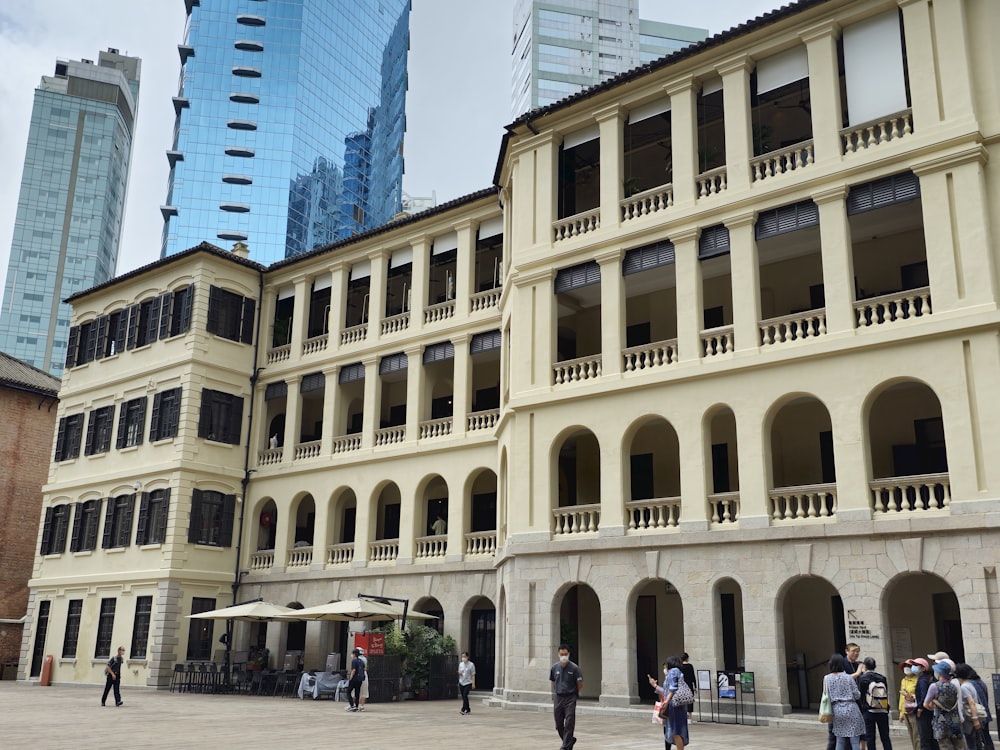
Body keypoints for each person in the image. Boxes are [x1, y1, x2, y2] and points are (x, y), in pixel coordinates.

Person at [825, 653, 866, 750]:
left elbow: (826, 694)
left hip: (836, 710)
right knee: (855, 741)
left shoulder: (826, 678)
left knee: (840, 740)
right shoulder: (848, 677)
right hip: (851, 709)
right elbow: (857, 695)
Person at [648, 655, 689, 750]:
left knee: (675, 731)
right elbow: (668, 690)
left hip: (673, 705)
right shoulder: (677, 673)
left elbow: (672, 689)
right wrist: (655, 686)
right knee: (677, 730)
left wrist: (666, 701)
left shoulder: (673, 672)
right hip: (678, 704)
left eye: (666, 665)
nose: (665, 667)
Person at [923, 661, 964, 750]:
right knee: (959, 746)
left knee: (945, 746)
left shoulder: (934, 686)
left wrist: (933, 708)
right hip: (954, 720)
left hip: (941, 722)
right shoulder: (954, 686)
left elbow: (925, 704)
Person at [549, 644, 582, 750]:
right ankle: (569, 740)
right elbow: (554, 680)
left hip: (570, 697)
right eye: (561, 654)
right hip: (558, 697)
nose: (564, 656)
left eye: (565, 654)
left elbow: (580, 683)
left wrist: (575, 693)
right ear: (558, 654)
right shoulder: (555, 667)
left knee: (569, 722)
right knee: (559, 724)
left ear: (569, 654)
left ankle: (565, 746)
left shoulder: (574, 668)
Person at [858, 657, 893, 750]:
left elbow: (860, 695)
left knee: (870, 737)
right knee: (885, 737)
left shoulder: (863, 678)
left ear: (864, 666)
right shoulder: (882, 678)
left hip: (869, 710)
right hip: (883, 710)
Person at [954, 664, 987, 750]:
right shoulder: (970, 684)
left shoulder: (964, 687)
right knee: (977, 742)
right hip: (972, 718)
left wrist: (975, 719)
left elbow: (971, 703)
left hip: (970, 719)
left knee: (971, 743)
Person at [912, 658, 940, 750]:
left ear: (923, 668)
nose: (913, 667)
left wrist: (920, 708)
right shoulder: (922, 679)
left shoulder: (923, 680)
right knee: (930, 737)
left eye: (916, 665)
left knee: (925, 737)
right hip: (926, 711)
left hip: (924, 712)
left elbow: (923, 694)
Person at [965, 666, 995, 750]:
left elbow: (973, 701)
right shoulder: (981, 682)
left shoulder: (970, 684)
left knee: (979, 739)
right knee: (986, 737)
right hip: (984, 712)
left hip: (978, 714)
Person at [898, 660, 920, 750]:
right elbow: (901, 697)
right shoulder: (903, 680)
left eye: (909, 666)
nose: (907, 668)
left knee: (917, 735)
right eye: (905, 666)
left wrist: (912, 697)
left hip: (914, 710)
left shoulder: (917, 680)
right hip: (905, 710)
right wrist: (901, 712)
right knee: (911, 735)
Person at [346, 647, 365, 712]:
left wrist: (350, 678)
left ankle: (352, 705)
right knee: (357, 693)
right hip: (360, 679)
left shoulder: (354, 661)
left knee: (348, 691)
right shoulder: (361, 661)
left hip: (354, 679)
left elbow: (353, 670)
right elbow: (364, 669)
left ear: (354, 654)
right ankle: (356, 706)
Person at [457, 651, 476, 715]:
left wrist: (473, 683)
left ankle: (463, 709)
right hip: (461, 682)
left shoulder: (471, 665)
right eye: (462, 657)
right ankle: (468, 709)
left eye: (464, 657)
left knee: (465, 695)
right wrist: (460, 674)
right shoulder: (461, 664)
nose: (463, 658)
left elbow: (473, 674)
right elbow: (459, 673)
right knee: (464, 697)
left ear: (467, 657)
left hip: (468, 682)